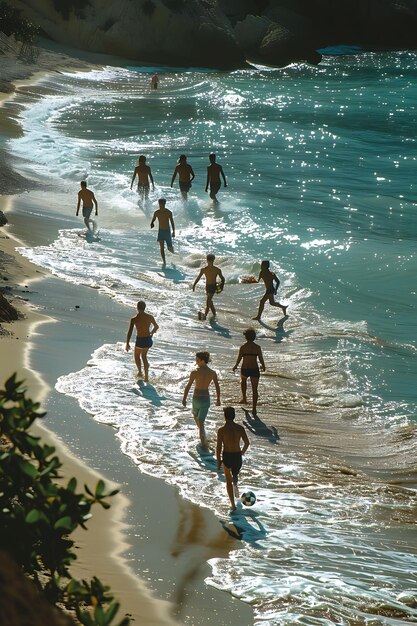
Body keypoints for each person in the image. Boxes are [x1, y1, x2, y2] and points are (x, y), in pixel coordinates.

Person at [182, 351, 221, 450]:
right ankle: (203, 436)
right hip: (206, 398)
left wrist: (184, 398)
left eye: (197, 360)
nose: (196, 361)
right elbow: (217, 387)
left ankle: (203, 444)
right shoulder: (212, 373)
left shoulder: (195, 372)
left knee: (196, 417)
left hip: (196, 398)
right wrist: (218, 399)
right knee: (201, 420)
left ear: (203, 361)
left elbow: (188, 386)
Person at [216, 407, 250, 511]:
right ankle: (235, 483)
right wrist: (242, 453)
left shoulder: (221, 430)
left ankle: (233, 505)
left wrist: (218, 462)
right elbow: (247, 443)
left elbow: (218, 447)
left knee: (227, 480)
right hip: (237, 456)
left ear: (225, 416)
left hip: (227, 456)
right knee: (235, 475)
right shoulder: (240, 428)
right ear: (234, 416)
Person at [233, 328, 265, 416]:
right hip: (254, 369)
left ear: (245, 337)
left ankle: (244, 398)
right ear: (254, 337)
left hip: (245, 368)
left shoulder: (243, 347)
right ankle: (254, 408)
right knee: (255, 389)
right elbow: (261, 359)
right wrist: (263, 366)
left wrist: (235, 366)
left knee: (243, 382)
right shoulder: (257, 347)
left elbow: (239, 358)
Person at [125, 300, 159, 382]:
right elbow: (156, 327)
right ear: (145, 308)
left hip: (140, 339)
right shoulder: (150, 317)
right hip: (148, 339)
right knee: (144, 356)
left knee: (137, 356)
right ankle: (146, 377)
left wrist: (127, 343)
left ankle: (140, 372)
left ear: (137, 307)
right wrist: (151, 333)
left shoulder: (134, 319)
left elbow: (130, 332)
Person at [193, 254, 225, 320]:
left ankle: (205, 315)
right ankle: (214, 314)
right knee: (210, 302)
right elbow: (198, 278)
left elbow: (222, 279)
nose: (210, 262)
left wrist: (221, 287)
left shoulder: (217, 270)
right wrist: (194, 285)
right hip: (207, 286)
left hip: (213, 286)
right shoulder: (204, 270)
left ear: (207, 260)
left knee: (208, 301)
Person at [150, 198, 175, 266]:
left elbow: (172, 222)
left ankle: (174, 260)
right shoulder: (157, 212)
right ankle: (164, 262)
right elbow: (153, 219)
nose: (162, 205)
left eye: (163, 204)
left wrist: (173, 232)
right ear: (159, 204)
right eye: (161, 204)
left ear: (165, 204)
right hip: (161, 231)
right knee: (161, 247)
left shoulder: (168, 212)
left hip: (167, 231)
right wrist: (152, 223)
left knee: (169, 247)